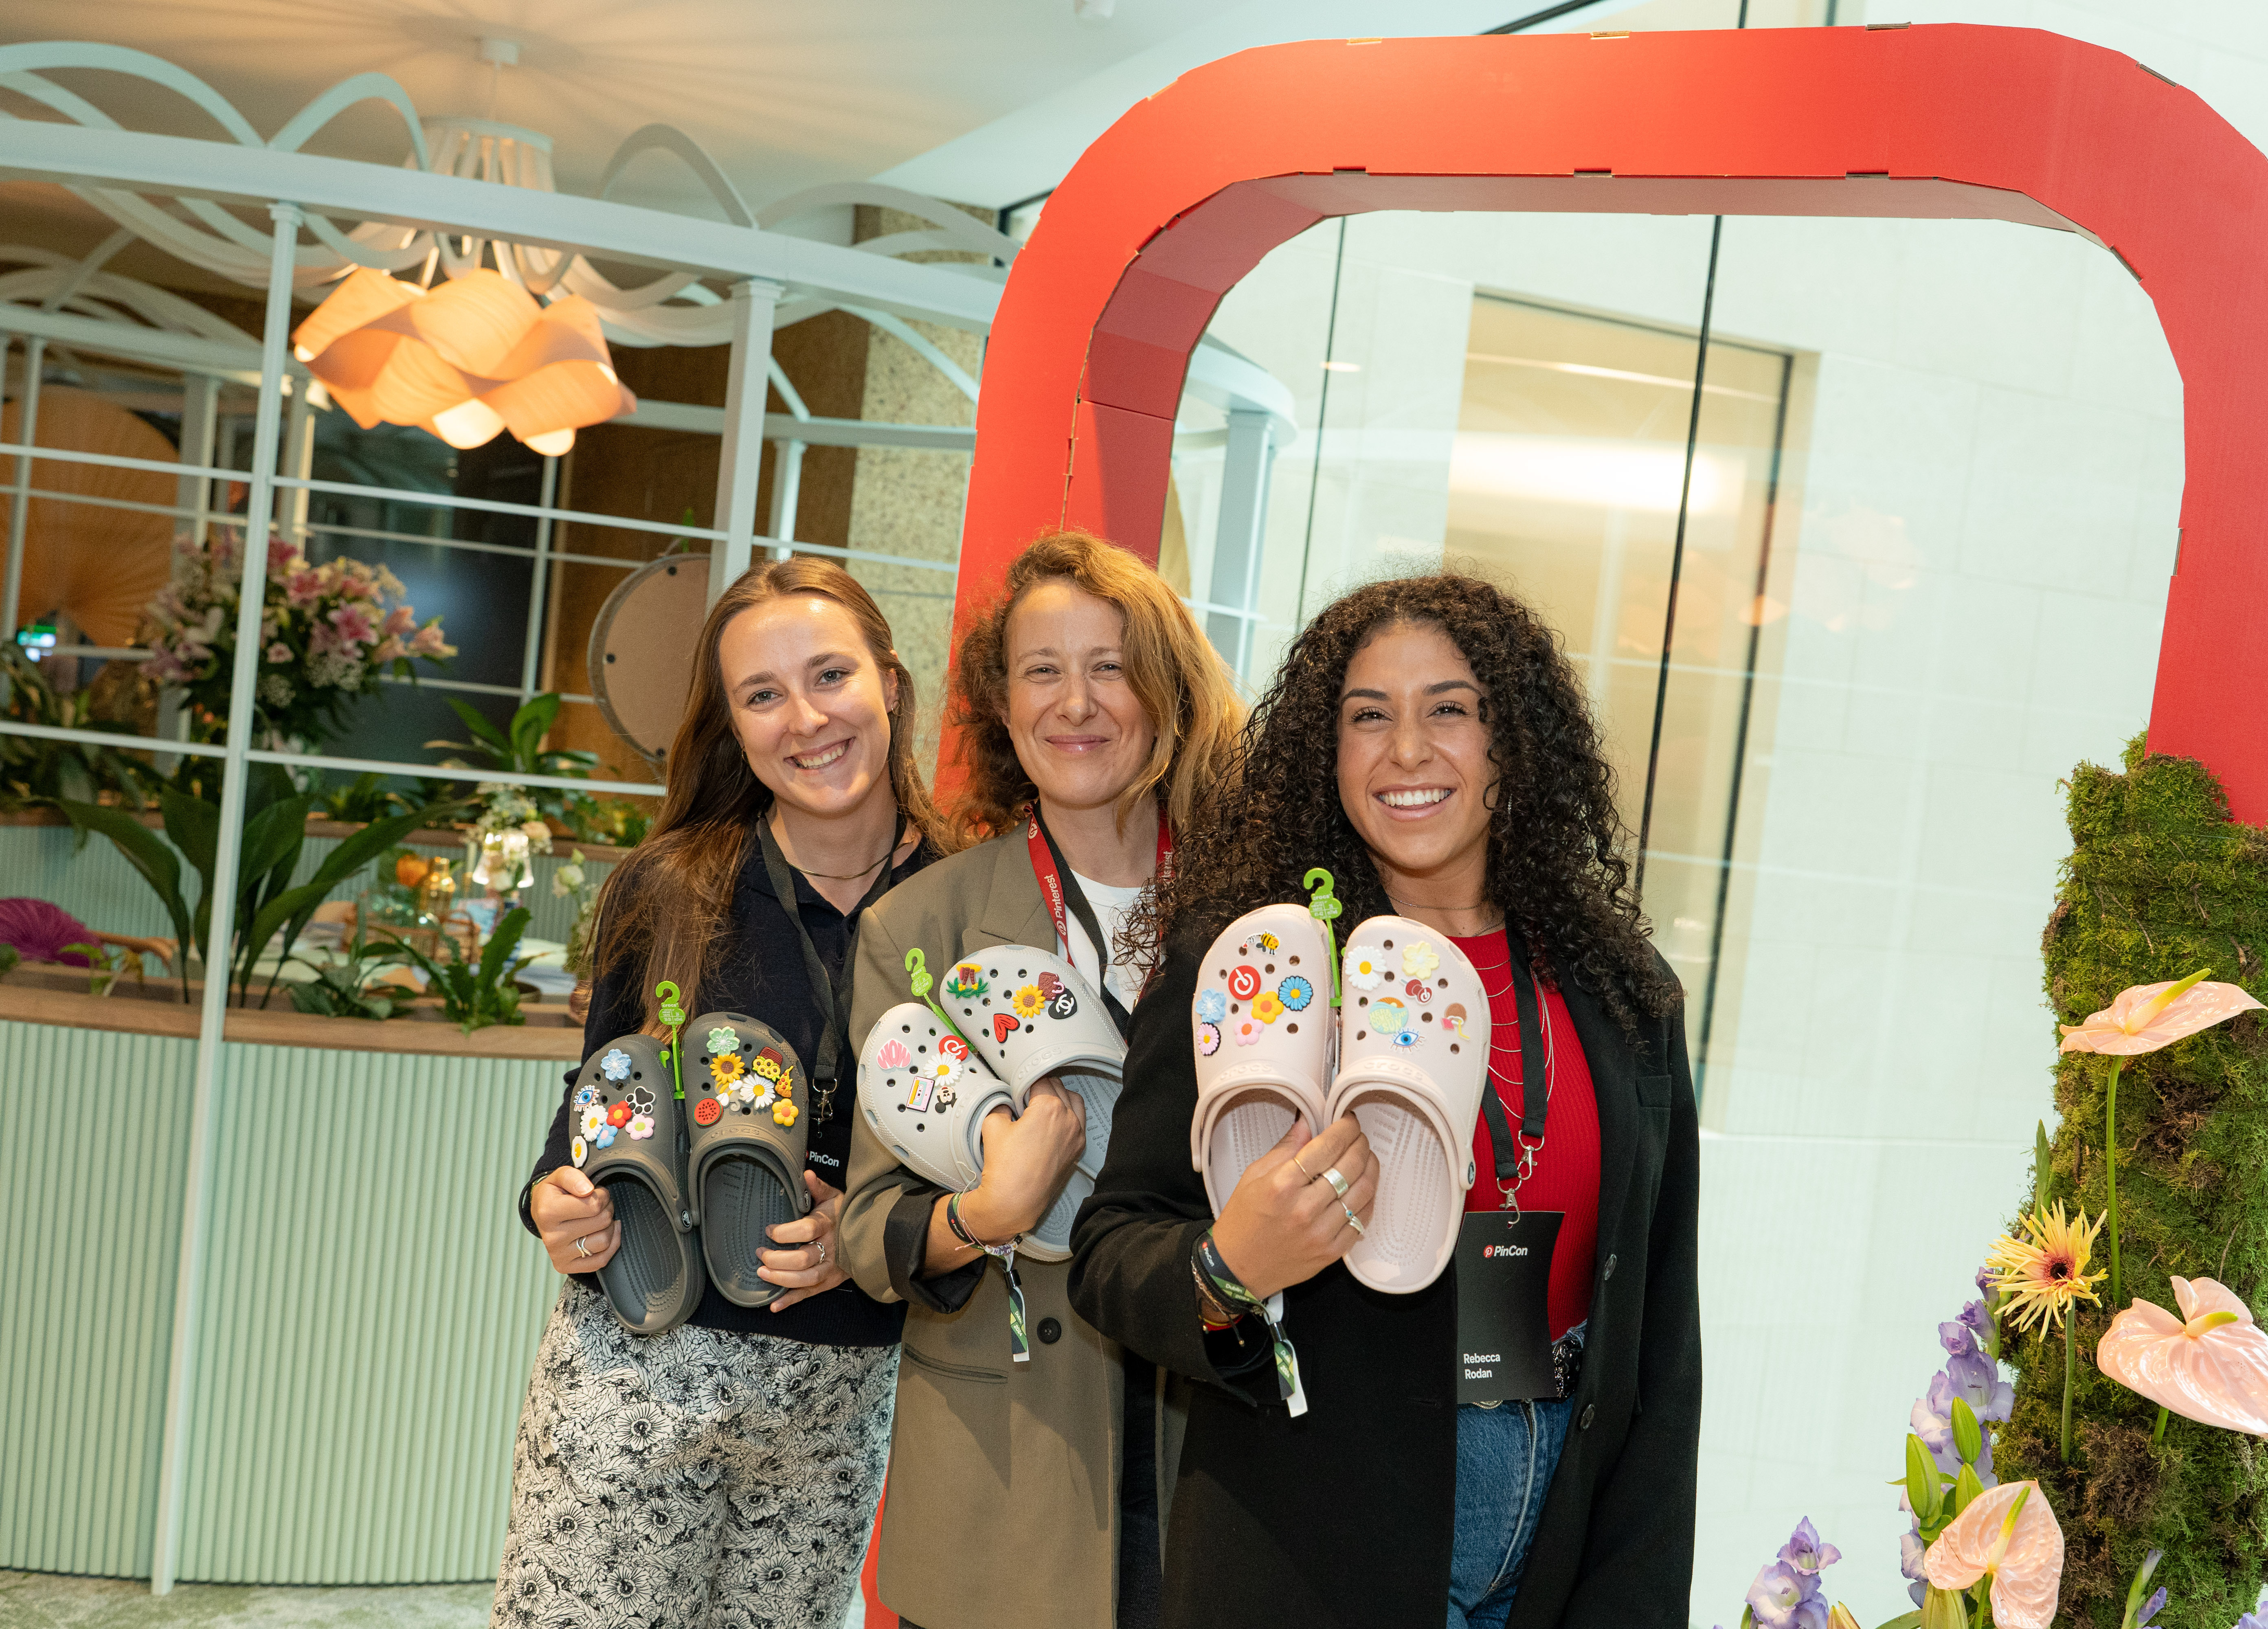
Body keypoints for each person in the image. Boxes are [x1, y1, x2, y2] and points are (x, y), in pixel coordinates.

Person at [1070, 573, 1700, 1629]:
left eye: (1449, 709)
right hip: (1312, 1549)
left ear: (1516, 742)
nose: (1407, 750)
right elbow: (1111, 1250)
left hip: (1560, 1545)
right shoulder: (1259, 969)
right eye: (1369, 717)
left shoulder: (1622, 991)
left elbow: (1659, 1343)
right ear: (1329, 753)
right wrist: (1231, 1270)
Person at [493, 557, 959, 1629]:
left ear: (890, 681)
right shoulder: (669, 886)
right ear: (736, 727)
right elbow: (585, 1119)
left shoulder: (968, 905)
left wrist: (878, 1229)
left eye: (831, 675)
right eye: (763, 695)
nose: (806, 718)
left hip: (836, 1397)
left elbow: (987, 1175)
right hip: (635, 1367)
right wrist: (550, 1206)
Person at [839, 531, 1243, 1629]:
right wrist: (986, 1212)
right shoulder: (923, 926)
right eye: (1043, 670)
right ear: (1005, 708)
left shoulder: (1259, 919)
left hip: (1208, 1444)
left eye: (1111, 666)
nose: (1078, 702)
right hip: (1009, 1470)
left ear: (1164, 693)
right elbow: (871, 1229)